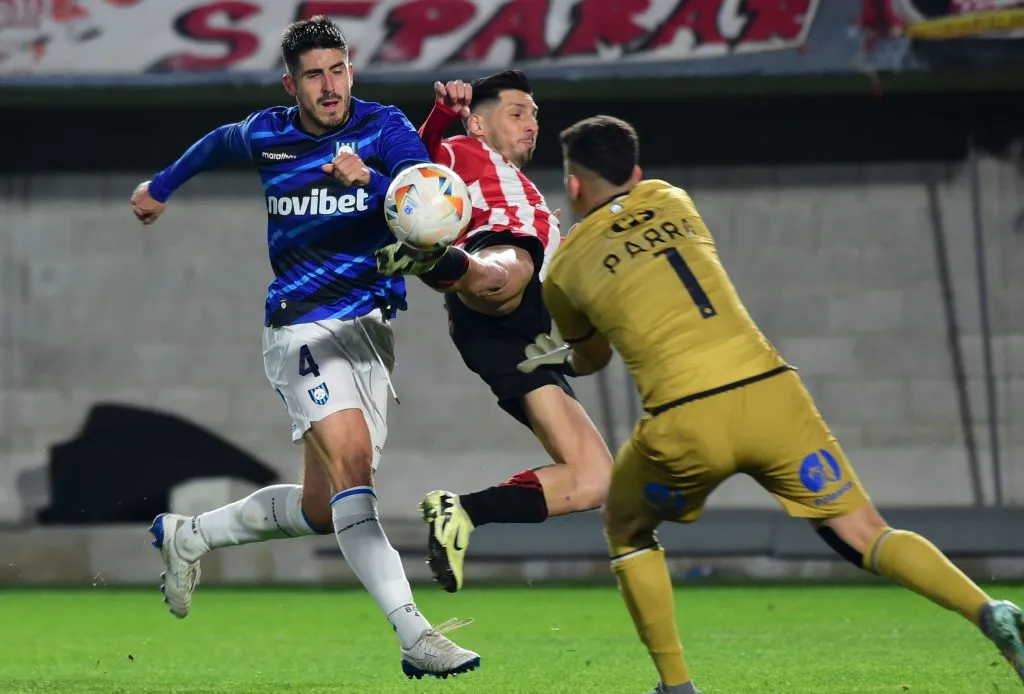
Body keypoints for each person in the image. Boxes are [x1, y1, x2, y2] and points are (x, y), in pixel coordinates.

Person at [518, 114, 1024, 694]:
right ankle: (987, 610)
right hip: (772, 395)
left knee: (626, 529)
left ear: (574, 186)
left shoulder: (564, 268)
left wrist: (553, 358)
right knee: (867, 532)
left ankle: (677, 687)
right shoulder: (674, 200)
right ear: (636, 171)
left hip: (685, 421)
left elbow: (595, 359)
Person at [128, 15, 479, 680]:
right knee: (355, 471)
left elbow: (428, 206)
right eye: (314, 75)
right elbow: (214, 144)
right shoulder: (270, 134)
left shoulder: (382, 129)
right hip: (300, 325)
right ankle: (414, 634)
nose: (329, 85)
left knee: (325, 509)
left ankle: (189, 535)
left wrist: (369, 184)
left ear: (352, 70)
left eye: (338, 69)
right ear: (291, 84)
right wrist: (161, 187)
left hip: (370, 328)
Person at [374, 71, 614, 593]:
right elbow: (412, 162)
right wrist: (442, 116)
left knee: (594, 477)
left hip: (523, 341)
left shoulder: (529, 194)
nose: (532, 124)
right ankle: (436, 260)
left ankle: (460, 513)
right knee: (509, 267)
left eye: (535, 115)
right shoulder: (462, 149)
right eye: (518, 112)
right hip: (493, 264)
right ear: (479, 123)